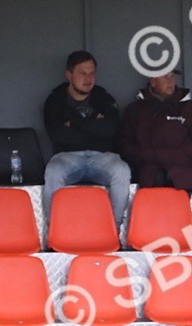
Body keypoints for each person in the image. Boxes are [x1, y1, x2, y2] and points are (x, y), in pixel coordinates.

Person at [43, 50, 131, 227]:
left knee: (121, 170)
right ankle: (56, 230)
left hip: (102, 157)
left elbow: (110, 130)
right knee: (53, 171)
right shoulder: (55, 100)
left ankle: (113, 229)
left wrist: (74, 123)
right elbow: (58, 135)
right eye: (82, 73)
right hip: (67, 157)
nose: (88, 78)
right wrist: (94, 125)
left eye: (91, 73)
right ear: (69, 75)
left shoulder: (104, 98)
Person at [120, 70, 192, 195]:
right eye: (165, 77)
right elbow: (124, 146)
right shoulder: (135, 110)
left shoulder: (187, 107)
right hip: (148, 171)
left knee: (180, 203)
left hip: (182, 170)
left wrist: (179, 153)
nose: (171, 81)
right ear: (152, 82)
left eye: (172, 77)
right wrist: (149, 155)